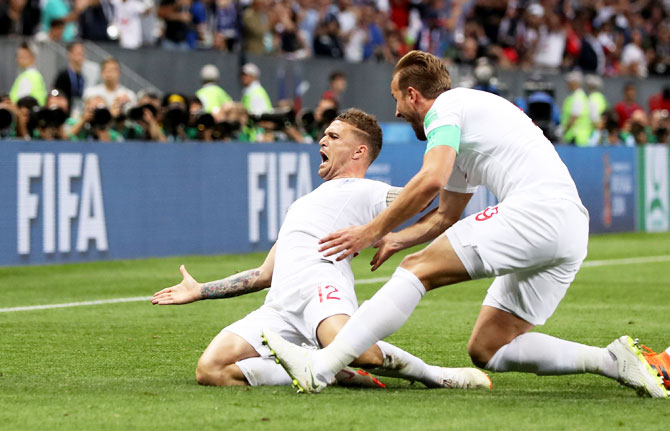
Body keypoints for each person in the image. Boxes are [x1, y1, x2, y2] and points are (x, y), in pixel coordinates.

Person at [262, 50, 669, 399]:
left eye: (396, 100)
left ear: (413, 94)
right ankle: (613, 362)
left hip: (538, 211)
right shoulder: (462, 127)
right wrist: (397, 238)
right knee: (489, 348)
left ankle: (321, 368)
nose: (396, 112)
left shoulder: (446, 109)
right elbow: (445, 214)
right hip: (568, 229)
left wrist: (368, 232)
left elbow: (430, 181)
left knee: (416, 271)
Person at [152, 108, 491, 390]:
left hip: (320, 290)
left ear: (359, 152)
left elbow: (425, 194)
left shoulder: (365, 190)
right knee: (210, 370)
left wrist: (459, 165)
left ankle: (436, 375)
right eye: (324, 135)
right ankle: (326, 366)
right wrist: (201, 291)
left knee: (366, 355)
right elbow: (263, 274)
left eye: (333, 136)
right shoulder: (301, 204)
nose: (322, 140)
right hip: (280, 306)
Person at [560, 70, 592, 146]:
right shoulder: (578, 96)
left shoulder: (578, 97)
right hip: (578, 137)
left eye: (569, 82)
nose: (567, 84)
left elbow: (574, 117)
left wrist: (563, 131)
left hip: (575, 137)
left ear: (575, 83)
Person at [10, 41, 47, 106]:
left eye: (22, 56)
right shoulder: (36, 75)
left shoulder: (28, 76)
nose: (18, 59)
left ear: (32, 57)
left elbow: (21, 103)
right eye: (18, 56)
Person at [53, 42, 86, 109]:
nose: (81, 56)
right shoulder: (63, 75)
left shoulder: (82, 76)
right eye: (78, 53)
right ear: (70, 54)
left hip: (78, 109)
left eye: (82, 53)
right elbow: (55, 94)